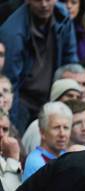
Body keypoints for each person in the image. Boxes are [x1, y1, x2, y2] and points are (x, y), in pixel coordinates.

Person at [0, 0, 78, 133]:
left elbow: (70, 62)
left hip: (52, 93)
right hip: (23, 99)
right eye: (37, 0)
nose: (44, 4)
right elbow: (11, 80)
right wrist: (11, 123)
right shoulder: (12, 32)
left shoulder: (63, 16)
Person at [23, 102, 72, 181]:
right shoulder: (35, 161)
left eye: (66, 128)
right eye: (56, 127)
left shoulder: (67, 156)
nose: (62, 134)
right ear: (42, 132)